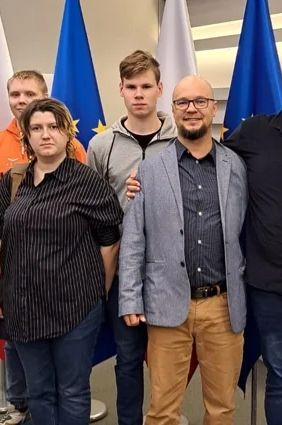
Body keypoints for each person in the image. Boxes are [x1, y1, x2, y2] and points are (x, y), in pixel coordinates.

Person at [127, 43, 282, 425]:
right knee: (278, 380)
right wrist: (139, 184)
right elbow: (199, 157)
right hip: (267, 289)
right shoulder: (252, 136)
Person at [0, 98, 123, 425]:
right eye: (37, 128)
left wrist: (97, 292)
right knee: (38, 390)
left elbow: (110, 243)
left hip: (76, 307)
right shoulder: (13, 181)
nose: (46, 134)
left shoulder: (87, 182)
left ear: (67, 134)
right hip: (23, 306)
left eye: (54, 127)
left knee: (72, 390)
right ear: (26, 137)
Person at [119, 75, 248, 425]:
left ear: (213, 108)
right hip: (166, 301)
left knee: (221, 409)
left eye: (200, 101)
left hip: (223, 305)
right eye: (182, 102)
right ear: (173, 110)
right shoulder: (149, 170)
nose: (191, 109)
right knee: (162, 410)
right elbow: (134, 239)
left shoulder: (236, 166)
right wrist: (129, 298)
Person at [0, 69, 86, 425]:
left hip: (64, 280)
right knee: (20, 353)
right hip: (17, 279)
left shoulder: (75, 152)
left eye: (30, 94)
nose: (22, 101)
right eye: (15, 94)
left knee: (66, 373)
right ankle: (18, 405)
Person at [86, 49, 176, 425]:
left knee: (170, 358)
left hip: (171, 270)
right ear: (121, 90)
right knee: (127, 358)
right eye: (131, 87)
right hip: (123, 272)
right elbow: (92, 208)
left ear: (159, 89)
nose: (139, 94)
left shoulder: (180, 139)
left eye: (146, 86)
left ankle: (166, 417)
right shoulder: (101, 145)